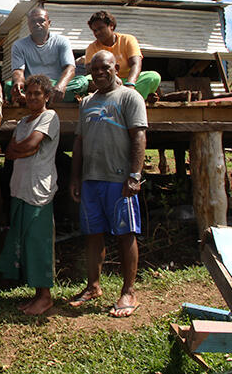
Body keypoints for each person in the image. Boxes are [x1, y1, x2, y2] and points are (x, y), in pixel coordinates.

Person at [69, 50, 147, 318]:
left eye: (105, 67)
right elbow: (79, 142)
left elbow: (138, 136)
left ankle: (128, 292)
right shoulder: (87, 101)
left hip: (119, 179)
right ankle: (93, 286)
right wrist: (75, 177)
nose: (100, 72)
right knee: (93, 234)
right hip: (91, 179)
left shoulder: (129, 97)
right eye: (95, 69)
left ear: (116, 68)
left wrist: (134, 175)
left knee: (125, 234)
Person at [0, 75, 60, 315]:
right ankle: (36, 294)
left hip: (39, 190)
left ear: (47, 96)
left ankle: (45, 296)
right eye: (30, 93)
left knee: (39, 242)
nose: (33, 97)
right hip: (21, 187)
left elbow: (29, 144)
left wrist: (23, 148)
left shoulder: (49, 117)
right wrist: (23, 149)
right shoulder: (24, 121)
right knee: (24, 241)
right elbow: (12, 151)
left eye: (38, 94)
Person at [8, 7, 89, 104]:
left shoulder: (62, 41)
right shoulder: (19, 45)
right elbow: (18, 71)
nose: (37, 24)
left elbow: (70, 68)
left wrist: (61, 85)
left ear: (49, 23)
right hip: (32, 86)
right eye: (33, 21)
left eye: (41, 21)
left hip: (55, 85)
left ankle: (32, 99)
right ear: (28, 25)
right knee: (9, 85)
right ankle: (41, 98)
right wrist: (19, 82)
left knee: (82, 82)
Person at [84, 10, 161, 100]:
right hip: (107, 81)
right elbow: (90, 71)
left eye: (100, 28)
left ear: (111, 26)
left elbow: (136, 63)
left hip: (128, 81)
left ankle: (128, 98)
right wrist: (114, 79)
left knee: (153, 77)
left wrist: (130, 84)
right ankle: (130, 97)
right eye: (94, 30)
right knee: (87, 81)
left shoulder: (128, 39)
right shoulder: (91, 47)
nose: (97, 33)